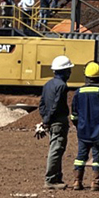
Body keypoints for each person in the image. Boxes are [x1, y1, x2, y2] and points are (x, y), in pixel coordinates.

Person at [71, 62, 99, 191]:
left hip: (83, 131)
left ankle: (77, 182)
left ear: (86, 77)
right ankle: (96, 183)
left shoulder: (79, 92)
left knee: (80, 157)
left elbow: (74, 114)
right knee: (98, 158)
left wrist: (78, 126)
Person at [36, 55, 74, 190]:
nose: (70, 73)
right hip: (58, 121)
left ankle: (57, 178)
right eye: (69, 70)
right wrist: (47, 121)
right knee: (56, 150)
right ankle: (51, 180)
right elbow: (56, 105)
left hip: (51, 121)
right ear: (64, 71)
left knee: (56, 148)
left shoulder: (48, 85)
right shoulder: (62, 86)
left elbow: (42, 104)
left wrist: (44, 119)